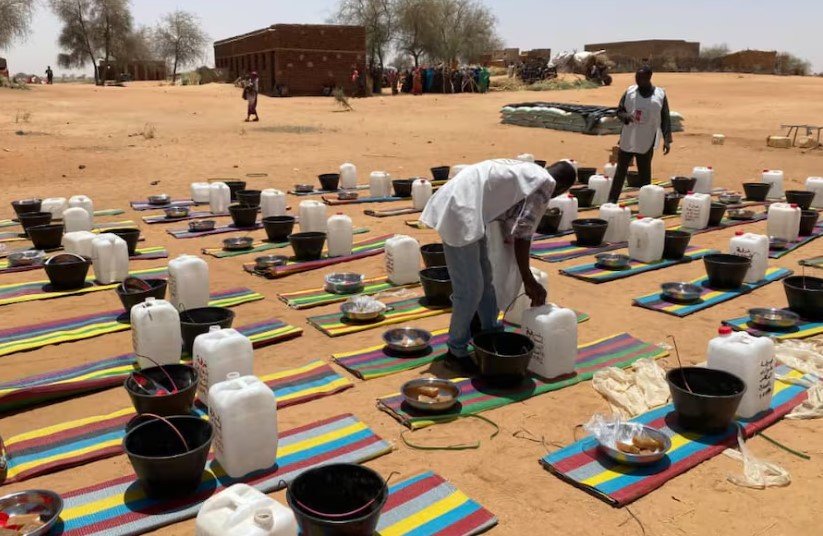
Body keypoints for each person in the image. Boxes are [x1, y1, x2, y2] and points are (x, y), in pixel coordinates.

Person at [420, 159, 577, 372]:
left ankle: (490, 332)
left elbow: (512, 221)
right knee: (469, 289)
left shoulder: (531, 173)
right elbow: (523, 234)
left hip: (470, 207)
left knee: (486, 279)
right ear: (561, 187)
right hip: (461, 209)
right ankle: (455, 352)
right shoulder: (545, 184)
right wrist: (528, 278)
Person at [608, 66, 672, 203]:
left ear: (648, 78)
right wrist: (625, 116)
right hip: (628, 137)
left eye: (640, 78)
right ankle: (611, 200)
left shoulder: (660, 94)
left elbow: (665, 117)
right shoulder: (630, 92)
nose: (637, 80)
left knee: (645, 174)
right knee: (620, 172)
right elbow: (619, 110)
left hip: (647, 138)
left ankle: (646, 203)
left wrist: (667, 139)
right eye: (636, 77)